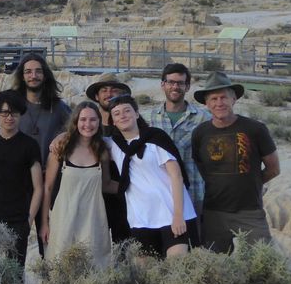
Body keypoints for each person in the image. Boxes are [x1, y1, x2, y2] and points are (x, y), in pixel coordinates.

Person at [0, 54, 70, 258]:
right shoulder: (11, 105)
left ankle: (51, 278)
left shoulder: (58, 106)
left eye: (38, 71)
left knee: (51, 235)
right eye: (28, 71)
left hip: (52, 182)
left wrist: (64, 133)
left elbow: (77, 128)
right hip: (17, 185)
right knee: (15, 240)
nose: (33, 75)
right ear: (21, 76)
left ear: (45, 74)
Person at [192, 72, 280, 253]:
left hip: (250, 211)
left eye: (224, 97)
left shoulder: (255, 129)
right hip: (213, 212)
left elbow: (273, 169)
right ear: (206, 104)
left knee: (262, 262)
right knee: (215, 266)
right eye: (213, 99)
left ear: (234, 99)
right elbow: (202, 169)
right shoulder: (200, 133)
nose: (219, 103)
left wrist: (251, 183)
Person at [105, 95, 196, 259]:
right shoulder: (113, 145)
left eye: (127, 110)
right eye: (117, 114)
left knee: (177, 268)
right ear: (112, 121)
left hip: (172, 215)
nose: (123, 115)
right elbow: (84, 138)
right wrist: (60, 137)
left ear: (137, 114)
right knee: (146, 274)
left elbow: (176, 176)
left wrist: (178, 215)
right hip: (141, 219)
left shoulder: (156, 138)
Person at [40, 101, 116, 268]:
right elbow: (48, 187)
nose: (87, 124)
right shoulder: (61, 148)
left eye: (93, 119)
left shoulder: (102, 150)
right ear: (76, 122)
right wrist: (44, 223)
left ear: (98, 122)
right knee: (60, 263)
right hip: (63, 216)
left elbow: (106, 184)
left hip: (93, 217)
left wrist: (134, 186)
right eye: (83, 119)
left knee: (94, 263)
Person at [0, 89, 43, 270]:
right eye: (4, 113)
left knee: (15, 274)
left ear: (21, 115)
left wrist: (28, 221)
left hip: (18, 219)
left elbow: (38, 188)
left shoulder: (30, 145)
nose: (9, 117)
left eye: (14, 113)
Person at [148, 64, 211, 237]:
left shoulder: (203, 117)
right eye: (171, 82)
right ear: (163, 85)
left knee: (195, 243)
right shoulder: (150, 118)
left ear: (187, 86)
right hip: (161, 195)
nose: (175, 87)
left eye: (181, 83)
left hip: (194, 193)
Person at [85, 73, 132, 243]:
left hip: (124, 199)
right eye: (104, 90)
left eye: (114, 90)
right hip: (93, 200)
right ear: (97, 96)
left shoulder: (129, 126)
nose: (109, 93)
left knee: (125, 249)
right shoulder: (88, 126)